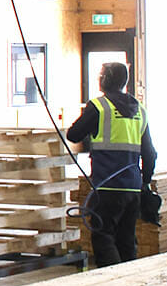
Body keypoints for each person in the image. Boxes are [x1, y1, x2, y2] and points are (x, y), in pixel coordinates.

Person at [65, 61, 156, 268]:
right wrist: (145, 182)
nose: (99, 78)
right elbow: (149, 153)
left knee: (103, 237)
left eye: (101, 75)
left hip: (107, 187)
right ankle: (129, 285)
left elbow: (74, 134)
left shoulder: (99, 107)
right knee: (126, 241)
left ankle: (112, 283)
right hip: (132, 188)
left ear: (106, 80)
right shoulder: (140, 111)